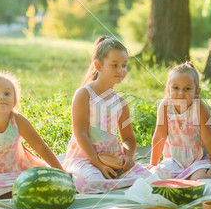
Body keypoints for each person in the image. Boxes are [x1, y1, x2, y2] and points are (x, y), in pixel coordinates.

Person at [63, 36, 150, 193]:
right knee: (90, 182)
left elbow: (129, 139)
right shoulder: (84, 94)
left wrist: (129, 157)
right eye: (114, 65)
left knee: (149, 177)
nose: (120, 70)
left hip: (113, 160)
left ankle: (109, 184)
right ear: (98, 65)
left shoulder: (121, 103)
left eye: (124, 66)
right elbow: (80, 133)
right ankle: (98, 181)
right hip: (86, 159)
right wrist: (98, 164)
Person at [0, 72, 65, 199]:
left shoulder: (18, 121)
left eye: (7, 93)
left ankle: (17, 195)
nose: (2, 97)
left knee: (48, 182)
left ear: (14, 101)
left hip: (20, 174)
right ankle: (19, 196)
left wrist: (61, 172)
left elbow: (40, 147)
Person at [148, 62, 211, 180]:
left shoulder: (199, 108)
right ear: (168, 89)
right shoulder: (165, 106)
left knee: (199, 179)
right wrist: (153, 164)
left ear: (197, 91)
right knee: (156, 175)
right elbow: (159, 136)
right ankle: (183, 177)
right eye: (175, 88)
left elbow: (208, 138)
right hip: (174, 160)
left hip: (197, 160)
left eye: (187, 89)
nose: (181, 93)